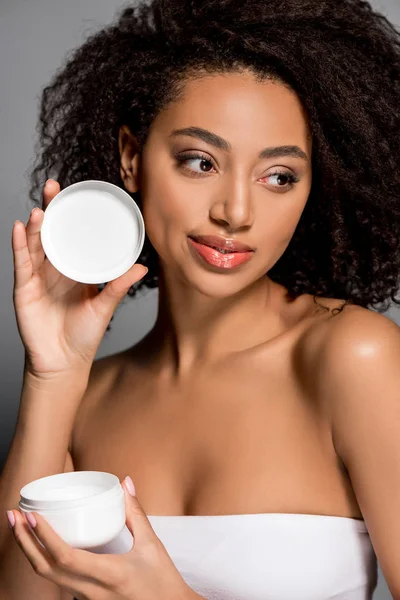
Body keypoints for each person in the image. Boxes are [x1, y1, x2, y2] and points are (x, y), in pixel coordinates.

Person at [1, 0, 400, 598]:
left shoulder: (353, 360)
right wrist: (52, 376)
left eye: (279, 176)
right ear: (132, 159)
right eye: (200, 161)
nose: (235, 211)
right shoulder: (86, 400)